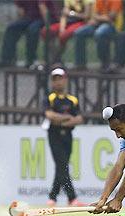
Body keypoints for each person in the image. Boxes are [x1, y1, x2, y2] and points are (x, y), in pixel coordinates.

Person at [43, 67, 86, 207]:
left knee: (62, 166)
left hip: (67, 135)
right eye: (54, 79)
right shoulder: (50, 98)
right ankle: (71, 197)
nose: (57, 82)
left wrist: (63, 120)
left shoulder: (72, 100)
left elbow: (79, 118)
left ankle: (53, 197)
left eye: (60, 78)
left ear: (65, 80)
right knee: (62, 165)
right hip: (54, 134)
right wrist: (66, 118)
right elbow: (49, 115)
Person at [0, 0, 57, 68]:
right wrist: (21, 24)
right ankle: (7, 59)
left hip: (47, 18)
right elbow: (21, 10)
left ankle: (31, 60)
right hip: (31, 18)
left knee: (32, 30)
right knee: (11, 28)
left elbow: (43, 8)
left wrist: (47, 25)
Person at [73, 0, 123, 72]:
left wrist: (98, 18)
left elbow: (111, 17)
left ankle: (105, 63)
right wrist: (98, 19)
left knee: (99, 33)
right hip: (99, 24)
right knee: (79, 32)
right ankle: (80, 64)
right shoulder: (99, 1)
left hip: (113, 26)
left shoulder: (116, 1)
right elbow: (95, 15)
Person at [41, 0, 94, 65]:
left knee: (64, 35)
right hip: (68, 22)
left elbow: (86, 16)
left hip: (81, 22)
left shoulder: (88, 1)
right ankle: (57, 59)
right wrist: (62, 29)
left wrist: (72, 13)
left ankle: (54, 60)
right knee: (46, 31)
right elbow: (64, 14)